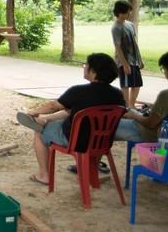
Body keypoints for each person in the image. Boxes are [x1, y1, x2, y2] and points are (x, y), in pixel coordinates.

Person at [16, 53, 125, 186]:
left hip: (75, 140)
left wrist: (34, 112)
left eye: (86, 65)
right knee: (73, 112)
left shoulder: (78, 91)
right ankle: (91, 170)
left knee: (39, 132)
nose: (84, 68)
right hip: (102, 142)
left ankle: (44, 175)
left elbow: (53, 106)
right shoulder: (118, 95)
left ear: (94, 71)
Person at [115, 50, 168, 142]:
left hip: (153, 135)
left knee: (106, 126)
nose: (164, 73)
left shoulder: (167, 96)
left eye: (164, 69)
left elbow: (150, 123)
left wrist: (135, 117)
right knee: (129, 110)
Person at [112, 0, 144, 109]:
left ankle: (132, 105)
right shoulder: (116, 28)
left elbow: (134, 43)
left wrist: (140, 59)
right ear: (118, 12)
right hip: (124, 60)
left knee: (137, 83)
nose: (128, 15)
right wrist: (125, 64)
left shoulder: (130, 25)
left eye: (129, 12)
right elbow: (118, 47)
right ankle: (126, 107)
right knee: (125, 85)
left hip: (134, 59)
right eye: (126, 13)